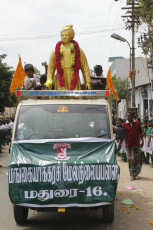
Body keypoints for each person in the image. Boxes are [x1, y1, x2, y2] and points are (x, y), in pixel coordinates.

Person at [46, 25, 91, 90]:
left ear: (71, 36)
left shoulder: (78, 50)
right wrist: (49, 80)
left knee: (75, 97)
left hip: (74, 77)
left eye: (66, 35)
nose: (64, 37)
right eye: (62, 35)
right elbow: (51, 68)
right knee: (61, 97)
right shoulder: (55, 51)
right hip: (61, 78)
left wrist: (88, 82)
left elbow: (85, 67)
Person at [118, 111, 144, 181]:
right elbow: (122, 136)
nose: (128, 117)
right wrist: (120, 144)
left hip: (137, 145)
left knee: (138, 160)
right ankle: (132, 174)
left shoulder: (137, 123)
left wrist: (142, 141)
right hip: (129, 145)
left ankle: (136, 172)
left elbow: (140, 133)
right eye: (127, 116)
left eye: (129, 116)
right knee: (130, 160)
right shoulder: (124, 124)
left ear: (132, 117)